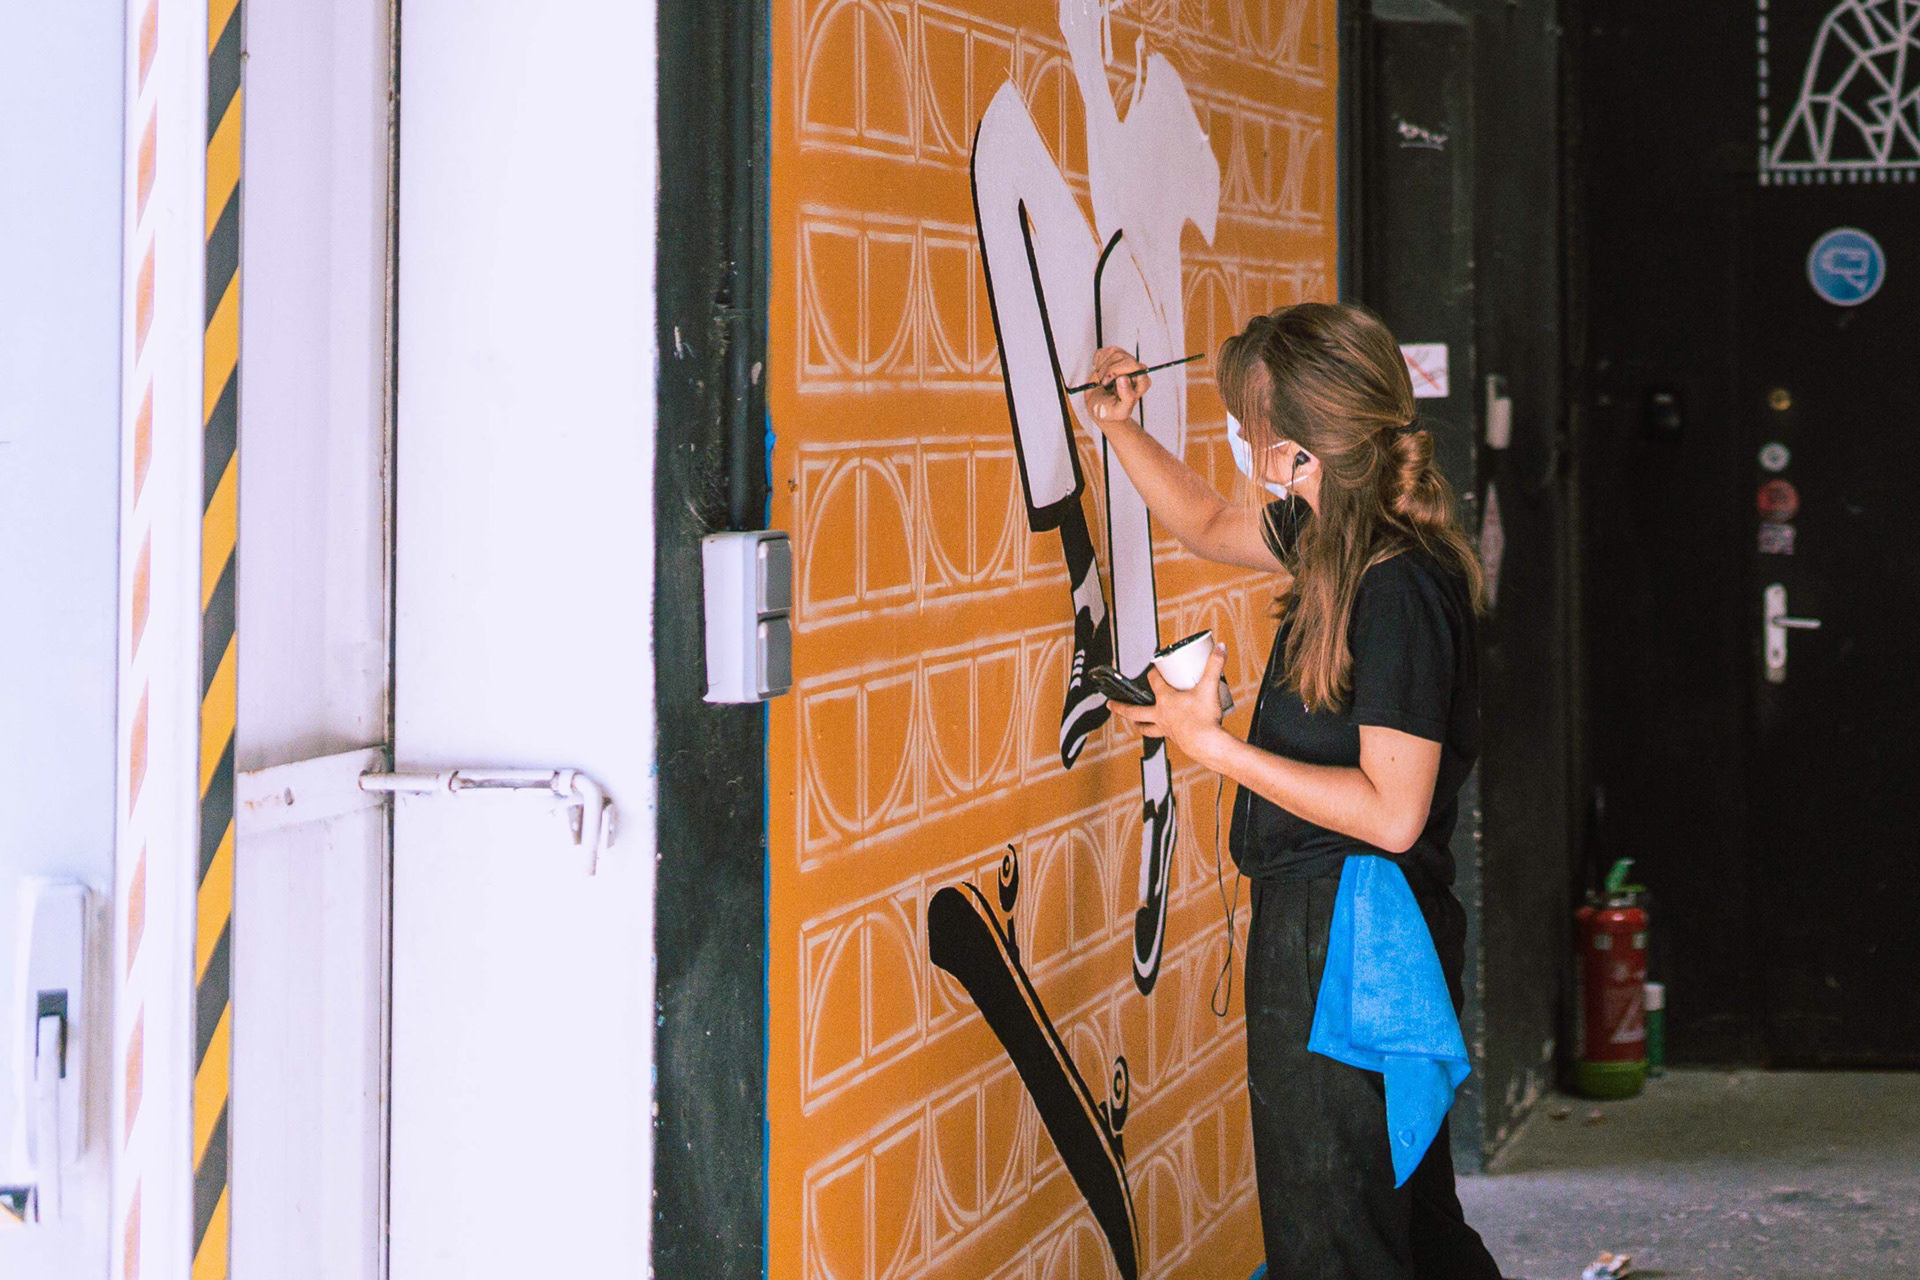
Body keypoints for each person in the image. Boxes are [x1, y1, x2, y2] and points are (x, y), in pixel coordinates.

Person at [1081, 301, 1504, 1279]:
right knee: (1408, 1222)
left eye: (1247, 423)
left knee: (1334, 1232)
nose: (1237, 439)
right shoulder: (1338, 534)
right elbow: (1204, 521)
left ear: (1298, 452)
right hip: (1354, 925)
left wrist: (1212, 742)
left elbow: (1391, 812)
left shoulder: (1394, 583)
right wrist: (1118, 424)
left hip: (1349, 930)